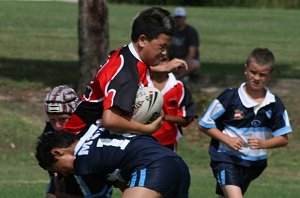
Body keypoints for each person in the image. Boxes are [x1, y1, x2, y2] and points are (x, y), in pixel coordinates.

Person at [62, 7, 188, 136]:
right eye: (162, 47)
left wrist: (161, 68)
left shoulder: (127, 54)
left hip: (83, 132)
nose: (165, 53)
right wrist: (148, 129)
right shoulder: (127, 76)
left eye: (167, 47)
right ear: (142, 40)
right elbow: (110, 120)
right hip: (79, 139)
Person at [198, 48, 293, 198]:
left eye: (262, 74)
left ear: (271, 75)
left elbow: (283, 139)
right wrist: (227, 139)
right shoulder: (229, 97)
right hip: (226, 159)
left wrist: (263, 144)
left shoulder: (274, 104)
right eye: (253, 72)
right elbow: (204, 124)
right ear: (245, 70)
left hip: (253, 164)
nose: (256, 78)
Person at [35, 125, 191, 197]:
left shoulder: (82, 163)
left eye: (60, 170)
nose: (66, 173)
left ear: (57, 152)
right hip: (176, 162)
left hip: (150, 165)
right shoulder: (96, 127)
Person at [43, 85, 112, 198]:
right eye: (52, 120)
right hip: (67, 176)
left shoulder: (90, 129)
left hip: (93, 177)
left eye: (62, 119)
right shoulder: (49, 134)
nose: (57, 126)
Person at [148, 50, 198, 152]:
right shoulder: (141, 83)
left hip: (167, 142)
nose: (160, 62)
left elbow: (186, 118)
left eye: (164, 59)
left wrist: (164, 117)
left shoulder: (179, 87)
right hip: (139, 139)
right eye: (157, 58)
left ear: (172, 62)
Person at [170, 7, 200, 80]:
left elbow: (192, 52)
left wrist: (182, 64)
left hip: (186, 60)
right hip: (172, 59)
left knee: (194, 64)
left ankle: (176, 79)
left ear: (184, 18)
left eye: (181, 17)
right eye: (177, 17)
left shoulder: (191, 32)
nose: (179, 19)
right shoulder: (170, 31)